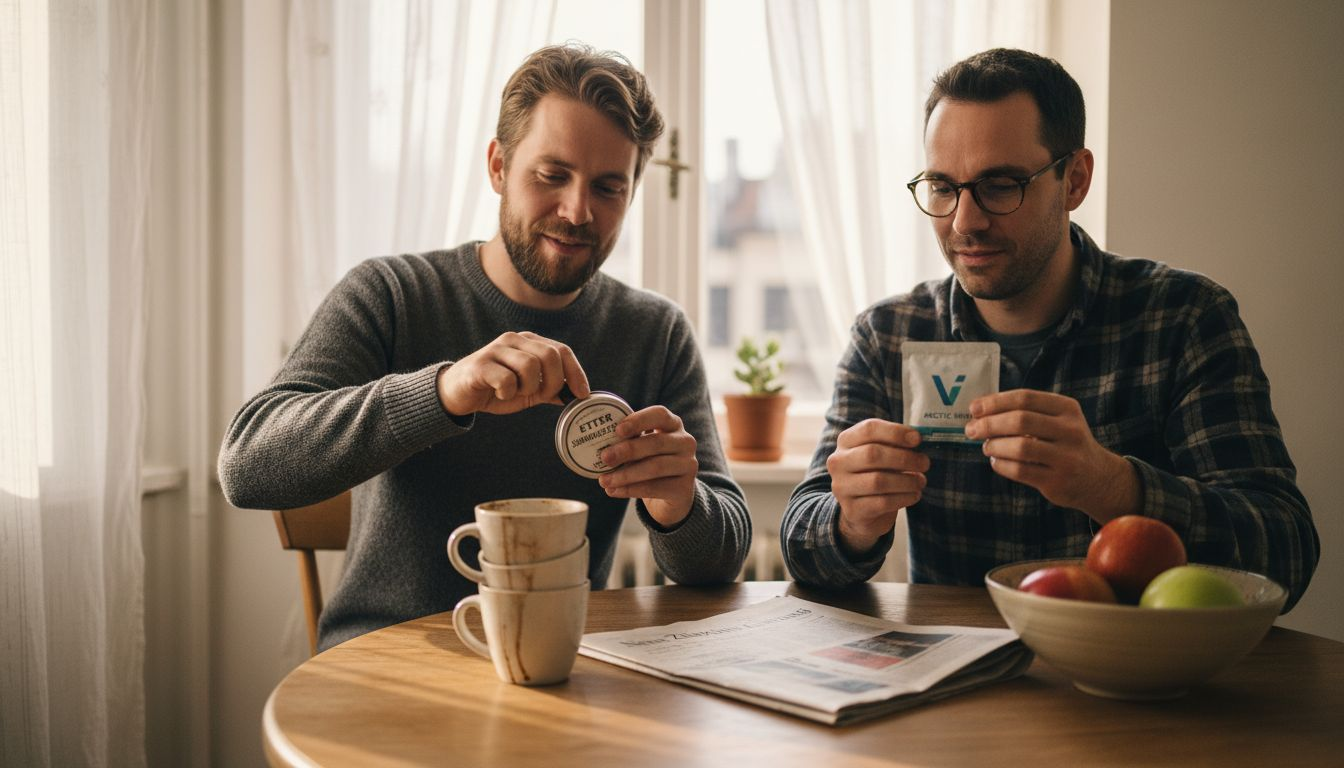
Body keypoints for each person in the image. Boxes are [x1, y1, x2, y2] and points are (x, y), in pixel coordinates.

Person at [219, 44, 751, 651]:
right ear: (498, 166)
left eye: (608, 187)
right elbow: (248, 467)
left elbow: (719, 564)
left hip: (553, 670)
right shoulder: (390, 294)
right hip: (381, 665)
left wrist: (679, 505)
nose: (578, 211)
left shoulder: (654, 332)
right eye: (551, 175)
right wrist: (443, 393)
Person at [781, 48, 1318, 610]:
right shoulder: (888, 335)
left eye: (1001, 184)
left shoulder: (1182, 319)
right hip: (953, 681)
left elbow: (1285, 554)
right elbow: (803, 543)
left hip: (1135, 675)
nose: (965, 222)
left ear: (1075, 181)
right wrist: (852, 523)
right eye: (943, 187)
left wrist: (1113, 488)